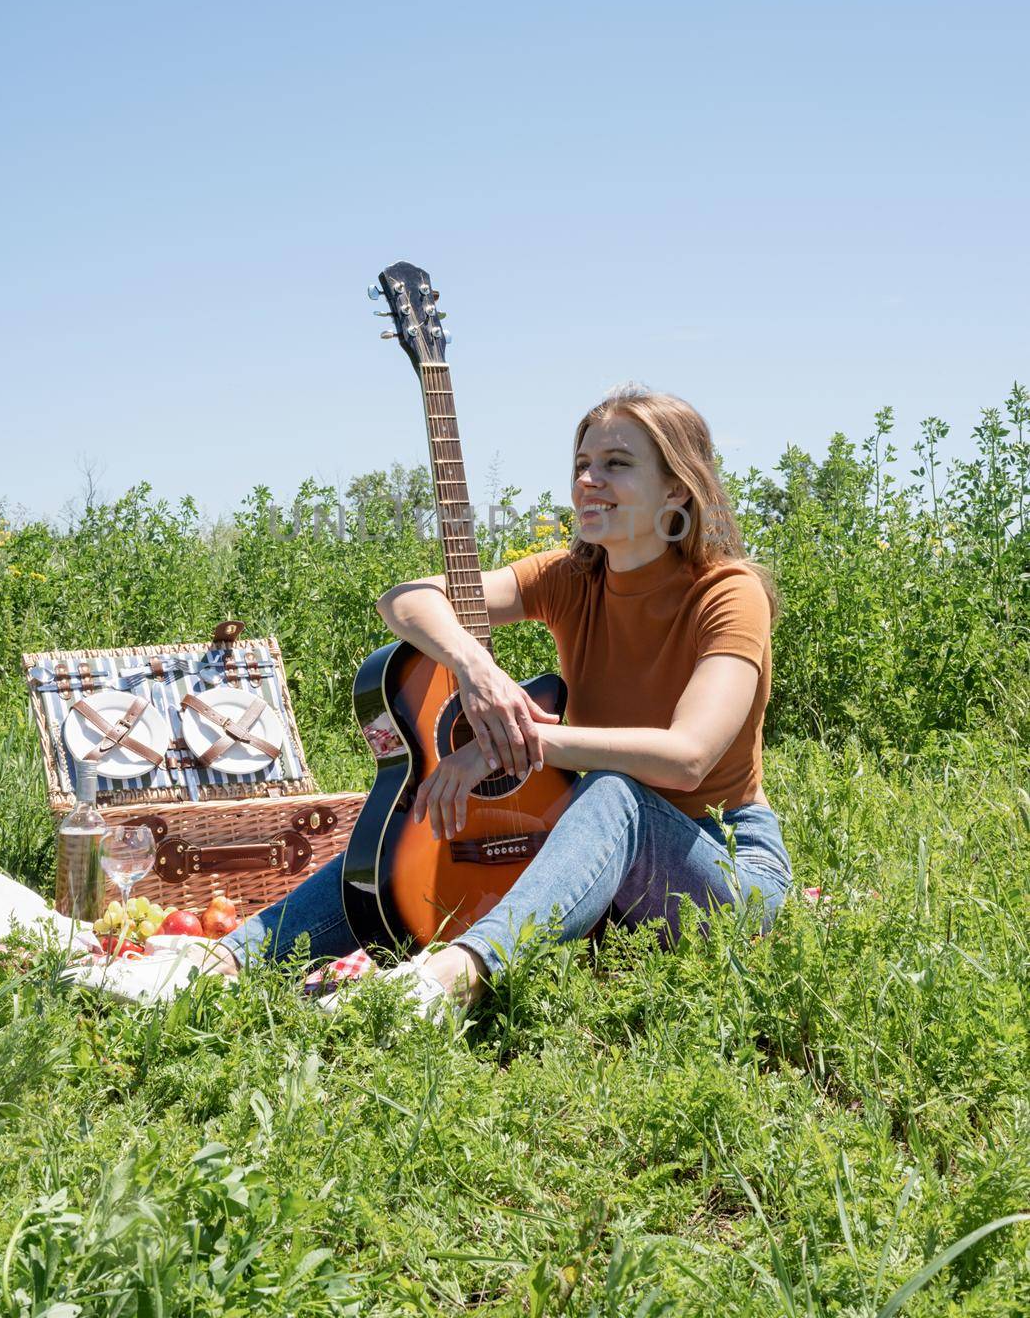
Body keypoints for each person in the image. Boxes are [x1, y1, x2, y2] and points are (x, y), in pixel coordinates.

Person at [211, 384, 793, 1016]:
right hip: (596, 851)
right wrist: (475, 667)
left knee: (613, 792)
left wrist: (508, 746)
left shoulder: (729, 593)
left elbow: (688, 757)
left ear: (677, 488)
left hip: (724, 868)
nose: (589, 482)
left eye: (616, 464)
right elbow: (404, 601)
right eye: (581, 466)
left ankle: (454, 979)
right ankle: (219, 963)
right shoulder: (572, 579)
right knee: (417, 823)